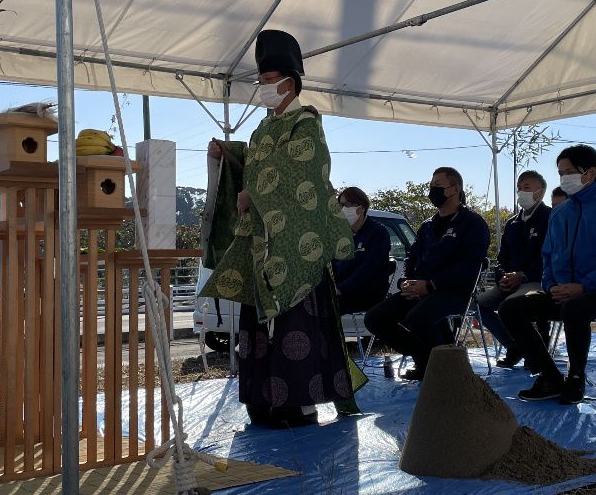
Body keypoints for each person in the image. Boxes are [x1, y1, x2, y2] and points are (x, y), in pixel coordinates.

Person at [201, 29, 364, 428]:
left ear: (289, 83)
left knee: (296, 325)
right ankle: (261, 399)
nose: (262, 88)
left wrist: (253, 194)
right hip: (263, 243)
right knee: (258, 327)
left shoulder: (306, 124)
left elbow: (304, 169)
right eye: (261, 81)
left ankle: (301, 404)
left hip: (296, 247)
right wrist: (229, 153)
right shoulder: (260, 131)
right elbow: (257, 163)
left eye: (267, 80)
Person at [498, 145, 596, 404]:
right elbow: (549, 256)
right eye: (560, 172)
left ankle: (576, 377)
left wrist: (583, 286)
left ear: (590, 173)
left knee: (575, 307)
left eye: (568, 172)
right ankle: (550, 376)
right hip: (563, 292)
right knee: (510, 308)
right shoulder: (560, 213)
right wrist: (551, 285)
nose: (563, 178)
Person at [364, 167, 490, 381]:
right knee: (375, 318)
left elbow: (469, 266)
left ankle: (447, 370)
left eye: (438, 186)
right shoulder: (427, 226)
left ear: (455, 189)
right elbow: (412, 260)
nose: (432, 190)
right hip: (421, 291)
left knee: (419, 317)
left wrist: (431, 285)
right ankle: (426, 359)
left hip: (455, 293)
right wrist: (406, 283)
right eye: (431, 186)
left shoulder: (472, 224)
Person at [476, 170, 551, 368]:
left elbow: (550, 258)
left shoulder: (550, 218)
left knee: (511, 306)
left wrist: (523, 275)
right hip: (509, 281)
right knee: (479, 305)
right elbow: (502, 258)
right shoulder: (512, 223)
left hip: (537, 280)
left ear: (540, 192)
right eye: (519, 188)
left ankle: (535, 350)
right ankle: (515, 346)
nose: (521, 192)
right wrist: (503, 276)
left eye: (526, 187)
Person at [333, 186, 392, 316]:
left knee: (322, 309)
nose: (341, 210)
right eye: (339, 206)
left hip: (367, 293)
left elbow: (368, 268)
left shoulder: (378, 233)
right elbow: (332, 264)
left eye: (345, 205)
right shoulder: (341, 235)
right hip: (342, 292)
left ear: (361, 208)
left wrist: (341, 289)